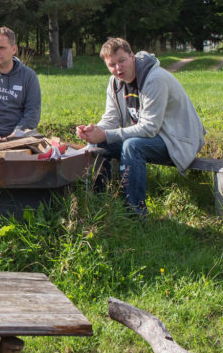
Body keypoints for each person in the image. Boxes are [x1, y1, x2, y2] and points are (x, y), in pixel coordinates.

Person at [76, 37, 206, 219]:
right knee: (99, 146)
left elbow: (149, 128)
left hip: (177, 140)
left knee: (132, 146)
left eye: (122, 61)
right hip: (152, 137)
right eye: (111, 64)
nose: (118, 68)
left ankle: (135, 214)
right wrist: (94, 131)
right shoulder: (114, 83)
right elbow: (111, 118)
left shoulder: (155, 79)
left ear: (132, 57)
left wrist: (105, 134)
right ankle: (98, 206)